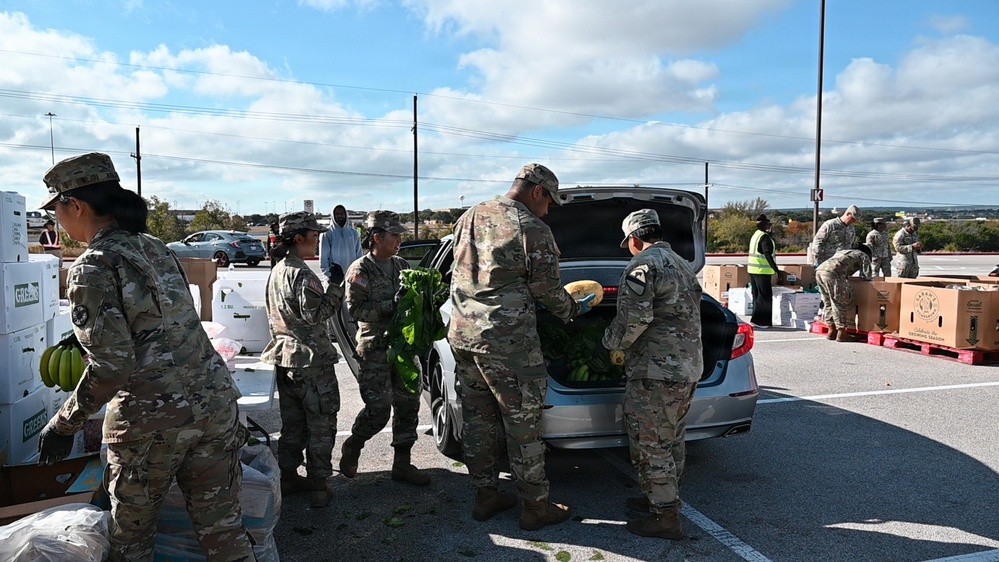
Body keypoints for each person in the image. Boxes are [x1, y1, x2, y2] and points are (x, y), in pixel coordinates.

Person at [35, 152, 254, 562]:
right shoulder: (154, 247)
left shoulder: (91, 267)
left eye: (56, 210)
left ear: (76, 205)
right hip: (214, 404)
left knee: (132, 542)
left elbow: (112, 367)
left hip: (152, 423)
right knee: (223, 530)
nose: (57, 221)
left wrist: (64, 424)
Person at [448, 163, 596, 531]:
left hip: (464, 336)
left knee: (478, 421)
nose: (549, 210)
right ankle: (535, 507)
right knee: (523, 425)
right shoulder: (532, 228)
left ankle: (486, 495)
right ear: (537, 191)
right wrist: (574, 310)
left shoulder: (470, 215)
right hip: (507, 344)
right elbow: (547, 288)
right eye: (550, 201)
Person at [601, 209, 703, 540]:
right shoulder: (682, 263)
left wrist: (610, 343)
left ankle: (665, 516)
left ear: (634, 239)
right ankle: (660, 498)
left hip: (656, 370)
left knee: (651, 444)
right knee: (672, 439)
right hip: (687, 368)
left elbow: (635, 319)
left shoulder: (643, 265)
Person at [339, 210, 431, 487]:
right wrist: (392, 305)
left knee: (408, 405)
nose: (400, 240)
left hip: (403, 347)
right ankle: (354, 444)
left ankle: (402, 463)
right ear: (377, 237)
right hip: (375, 349)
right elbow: (356, 310)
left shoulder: (401, 265)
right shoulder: (361, 270)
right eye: (395, 235)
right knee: (378, 409)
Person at [262, 211, 344, 508]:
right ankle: (319, 486)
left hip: (286, 360)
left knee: (293, 425)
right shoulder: (302, 274)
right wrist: (335, 287)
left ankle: (288, 477)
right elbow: (315, 315)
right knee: (321, 424)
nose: (317, 241)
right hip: (312, 363)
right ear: (298, 238)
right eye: (314, 236)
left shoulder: (277, 271)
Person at [815, 244, 872, 343]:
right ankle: (842, 333)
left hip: (819, 272)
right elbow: (867, 276)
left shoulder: (844, 252)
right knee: (839, 302)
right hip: (833, 274)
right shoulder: (863, 255)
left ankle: (832, 330)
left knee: (828, 302)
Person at [747, 214, 783, 329]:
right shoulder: (764, 237)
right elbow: (767, 255)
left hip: (753, 270)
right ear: (765, 226)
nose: (769, 226)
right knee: (764, 297)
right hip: (762, 271)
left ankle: (755, 319)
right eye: (768, 224)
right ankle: (762, 321)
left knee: (757, 295)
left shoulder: (755, 235)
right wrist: (777, 270)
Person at [319, 204, 362, 286]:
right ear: (333, 216)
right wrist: (328, 276)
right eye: (337, 214)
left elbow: (359, 255)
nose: (340, 216)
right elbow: (323, 258)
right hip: (333, 279)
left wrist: (358, 273)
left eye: (342, 213)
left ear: (345, 215)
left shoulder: (354, 233)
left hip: (352, 278)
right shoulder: (327, 233)